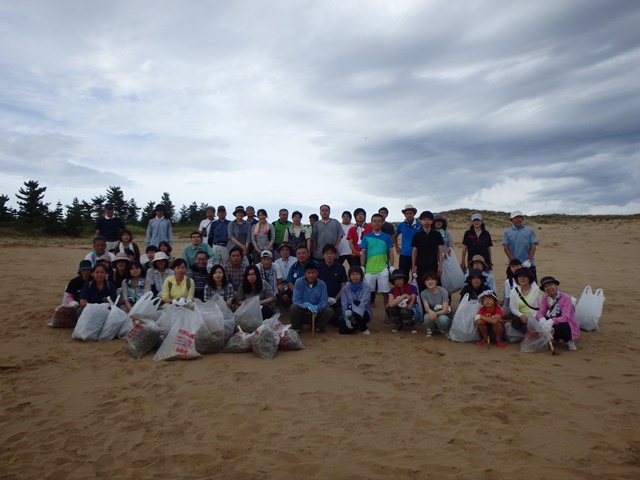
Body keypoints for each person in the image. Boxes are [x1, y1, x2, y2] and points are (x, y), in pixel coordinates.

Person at [535, 275, 580, 351]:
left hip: (567, 323)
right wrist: (541, 318)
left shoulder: (565, 297)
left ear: (555, 285)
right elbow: (540, 313)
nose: (549, 288)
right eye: (546, 286)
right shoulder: (545, 299)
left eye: (550, 285)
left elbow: (565, 317)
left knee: (562, 328)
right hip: (554, 319)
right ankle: (555, 338)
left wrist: (552, 321)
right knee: (540, 323)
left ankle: (568, 340)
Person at [361, 213, 394, 306]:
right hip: (369, 269)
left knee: (385, 292)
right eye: (374, 221)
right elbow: (363, 252)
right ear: (371, 223)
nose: (377, 223)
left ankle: (387, 311)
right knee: (367, 292)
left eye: (379, 221)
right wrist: (362, 266)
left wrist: (392, 266)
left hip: (383, 269)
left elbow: (391, 251)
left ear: (382, 223)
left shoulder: (387, 237)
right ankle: (366, 312)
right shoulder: (366, 237)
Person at [290, 263, 333, 333]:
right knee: (294, 307)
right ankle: (297, 327)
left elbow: (324, 301)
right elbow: (296, 300)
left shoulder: (322, 284)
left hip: (316, 312)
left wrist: (317, 307)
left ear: (317, 273)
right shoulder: (299, 282)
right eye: (308, 273)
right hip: (303, 310)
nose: (311, 275)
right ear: (304, 273)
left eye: (313, 273)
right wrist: (307, 305)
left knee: (329, 311)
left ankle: (318, 327)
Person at [411, 211, 444, 291]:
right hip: (421, 265)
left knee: (436, 285)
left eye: (428, 219)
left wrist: (440, 265)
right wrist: (413, 267)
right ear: (421, 221)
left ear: (432, 221)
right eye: (424, 219)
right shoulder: (417, 235)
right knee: (422, 285)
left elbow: (440, 251)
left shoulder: (437, 234)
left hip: (433, 264)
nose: (426, 221)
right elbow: (414, 252)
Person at [502, 210, 538, 281]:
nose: (517, 219)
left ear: (522, 219)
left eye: (519, 217)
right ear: (511, 220)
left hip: (528, 264)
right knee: (512, 284)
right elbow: (506, 247)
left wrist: (529, 260)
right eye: (515, 218)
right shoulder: (507, 232)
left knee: (532, 284)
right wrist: (514, 261)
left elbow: (533, 246)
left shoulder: (529, 230)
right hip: (513, 265)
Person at [317, 244, 348, 326]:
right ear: (323, 255)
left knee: (339, 322)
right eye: (327, 253)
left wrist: (336, 298)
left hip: (335, 300)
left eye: (331, 253)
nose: (329, 256)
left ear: (335, 254)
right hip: (321, 300)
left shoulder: (340, 268)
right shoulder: (318, 267)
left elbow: (343, 285)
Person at [508, 267, 543, 334]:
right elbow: (512, 308)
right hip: (522, 318)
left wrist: (532, 318)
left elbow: (542, 307)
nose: (522, 279)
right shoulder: (513, 291)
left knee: (526, 328)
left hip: (535, 317)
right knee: (515, 320)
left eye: (525, 276)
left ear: (529, 278)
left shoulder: (538, 290)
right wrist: (521, 315)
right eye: (520, 276)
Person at [340, 266, 372, 335]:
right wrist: (346, 317)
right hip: (349, 313)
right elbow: (344, 304)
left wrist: (352, 311)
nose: (355, 277)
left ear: (361, 276)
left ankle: (363, 327)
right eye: (352, 274)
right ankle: (356, 325)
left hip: (363, 312)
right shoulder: (345, 288)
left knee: (359, 313)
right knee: (343, 330)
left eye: (357, 274)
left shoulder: (367, 287)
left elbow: (363, 302)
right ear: (349, 276)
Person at [420, 271, 452, 338]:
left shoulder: (443, 291)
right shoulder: (423, 293)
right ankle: (430, 330)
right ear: (424, 282)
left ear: (436, 281)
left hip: (443, 314)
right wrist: (431, 312)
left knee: (442, 319)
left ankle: (445, 330)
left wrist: (435, 314)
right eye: (427, 280)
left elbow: (445, 310)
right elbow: (426, 307)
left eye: (432, 279)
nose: (430, 282)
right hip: (431, 313)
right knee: (426, 317)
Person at [386, 269, 419, 333]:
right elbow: (391, 304)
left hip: (413, 310)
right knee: (390, 309)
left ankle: (411, 325)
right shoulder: (392, 291)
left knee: (404, 311)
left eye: (400, 279)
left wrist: (398, 302)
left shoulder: (412, 287)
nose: (398, 281)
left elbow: (410, 306)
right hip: (399, 309)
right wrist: (404, 296)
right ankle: (399, 324)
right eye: (396, 279)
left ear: (404, 279)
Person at [392, 204, 421, 274]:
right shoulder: (401, 225)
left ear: (414, 214)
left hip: (417, 254)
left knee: (417, 275)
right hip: (404, 254)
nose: (409, 215)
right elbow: (394, 236)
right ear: (404, 215)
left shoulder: (420, 225)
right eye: (407, 214)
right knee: (403, 275)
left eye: (410, 213)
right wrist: (396, 247)